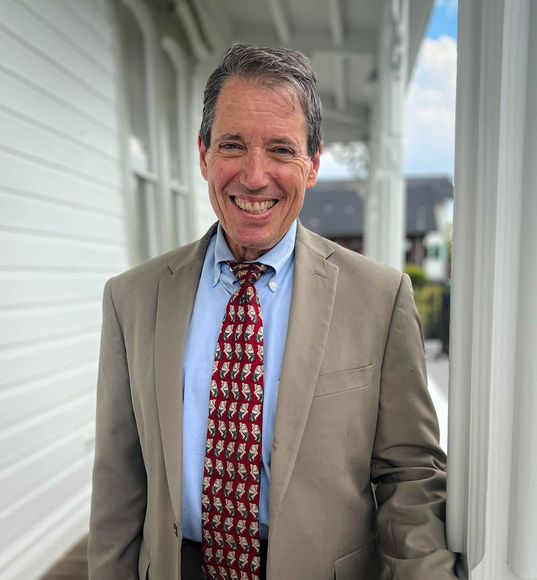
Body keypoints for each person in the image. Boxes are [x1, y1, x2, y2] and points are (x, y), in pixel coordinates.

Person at [88, 44, 457, 580]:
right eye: (233, 145)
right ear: (203, 155)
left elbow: (410, 474)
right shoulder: (133, 299)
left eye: (281, 150)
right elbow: (120, 481)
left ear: (313, 164)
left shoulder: (379, 299)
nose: (255, 176)